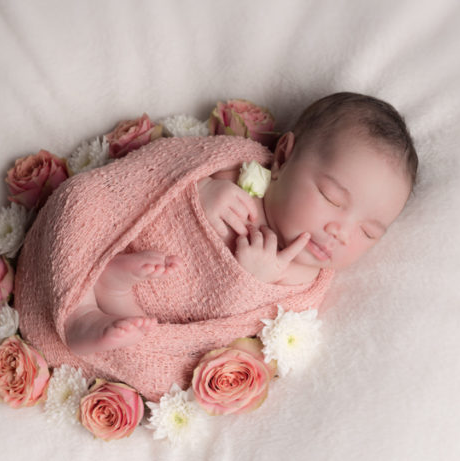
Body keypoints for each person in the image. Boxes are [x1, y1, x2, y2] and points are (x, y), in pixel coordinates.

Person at [64, 92, 418, 357]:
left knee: (144, 343)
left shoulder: (304, 288)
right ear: (283, 157)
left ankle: (106, 300)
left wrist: (251, 282)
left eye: (369, 232)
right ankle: (79, 304)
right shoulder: (235, 166)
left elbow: (235, 338)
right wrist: (199, 190)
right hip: (115, 244)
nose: (342, 232)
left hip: (148, 314)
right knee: (79, 213)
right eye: (332, 197)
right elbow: (160, 170)